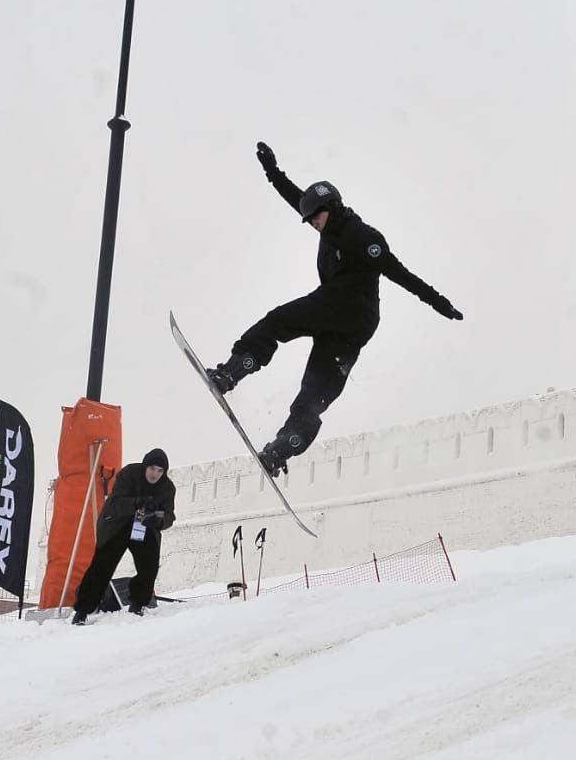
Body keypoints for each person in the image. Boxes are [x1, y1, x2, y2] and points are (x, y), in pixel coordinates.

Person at [206, 142, 464, 476]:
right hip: (352, 323)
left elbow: (400, 273)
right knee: (316, 389)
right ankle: (284, 447)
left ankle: (233, 370)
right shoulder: (327, 221)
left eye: (316, 216)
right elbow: (296, 198)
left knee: (278, 321)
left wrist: (439, 302)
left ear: (333, 206)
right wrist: (273, 173)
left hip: (347, 306)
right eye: (309, 219)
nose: (313, 223)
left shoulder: (361, 235)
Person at [71, 448, 175, 625]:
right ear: (145, 466)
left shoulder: (167, 488)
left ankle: (138, 603)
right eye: (152, 468)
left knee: (149, 565)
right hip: (117, 525)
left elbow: (169, 516)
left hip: (143, 528)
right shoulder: (129, 474)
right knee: (101, 566)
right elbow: (114, 504)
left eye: (160, 470)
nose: (155, 474)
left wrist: (156, 520)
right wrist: (136, 503)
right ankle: (82, 610)